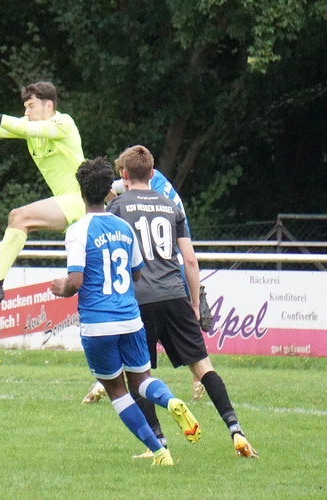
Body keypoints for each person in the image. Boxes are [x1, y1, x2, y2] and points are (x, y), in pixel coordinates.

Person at [107, 145, 257, 459]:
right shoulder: (170, 205)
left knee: (138, 375)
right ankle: (236, 430)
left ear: (124, 175)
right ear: (152, 174)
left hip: (139, 300)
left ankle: (158, 444)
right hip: (175, 294)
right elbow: (189, 259)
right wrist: (194, 303)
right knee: (203, 366)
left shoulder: (117, 207)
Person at [50, 157, 201, 467]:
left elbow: (75, 281)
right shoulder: (124, 227)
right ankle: (171, 400)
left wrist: (61, 287)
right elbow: (136, 273)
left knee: (117, 391)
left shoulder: (78, 231)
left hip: (99, 323)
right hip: (130, 318)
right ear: (109, 188)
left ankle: (159, 451)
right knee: (142, 380)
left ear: (81, 191)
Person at [0, 81, 85, 301]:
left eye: (31, 106)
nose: (26, 112)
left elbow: (23, 128)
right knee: (19, 219)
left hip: (82, 201)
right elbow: (1, 130)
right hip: (69, 205)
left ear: (49, 106)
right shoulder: (30, 126)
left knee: (19, 216)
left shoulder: (63, 123)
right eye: (25, 107)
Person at [84, 166, 204, 404]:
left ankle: (114, 383)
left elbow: (111, 192)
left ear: (127, 173)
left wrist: (103, 196)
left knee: (136, 333)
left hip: (155, 269)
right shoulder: (158, 183)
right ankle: (200, 376)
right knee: (182, 333)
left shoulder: (145, 191)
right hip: (174, 265)